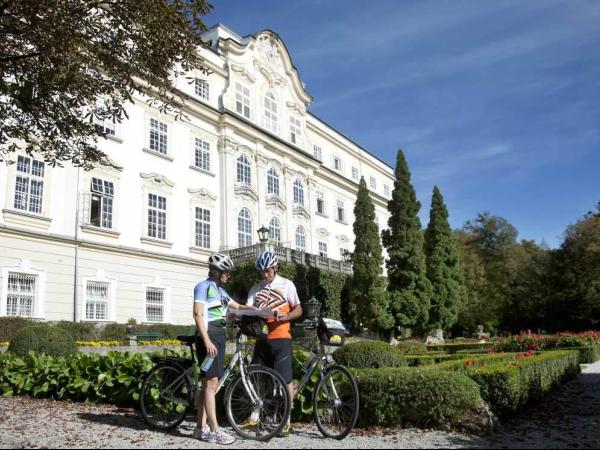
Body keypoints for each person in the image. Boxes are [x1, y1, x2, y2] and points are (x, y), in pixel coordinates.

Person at [192, 253, 259, 445]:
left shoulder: (221, 290)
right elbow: (197, 314)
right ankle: (214, 431)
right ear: (215, 270)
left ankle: (199, 428)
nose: (229, 274)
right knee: (211, 384)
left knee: (208, 385)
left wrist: (257, 310)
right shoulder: (203, 287)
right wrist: (207, 341)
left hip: (219, 337)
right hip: (210, 337)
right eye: (226, 271)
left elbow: (236, 306)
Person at [245, 250, 303, 435]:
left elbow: (299, 309)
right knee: (258, 379)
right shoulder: (256, 288)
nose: (265, 274)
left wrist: (286, 316)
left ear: (275, 268)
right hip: (261, 339)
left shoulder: (287, 285)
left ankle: (286, 420)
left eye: (268, 271)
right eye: (261, 271)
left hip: (281, 338)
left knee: (285, 379)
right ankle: (255, 416)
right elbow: (247, 308)